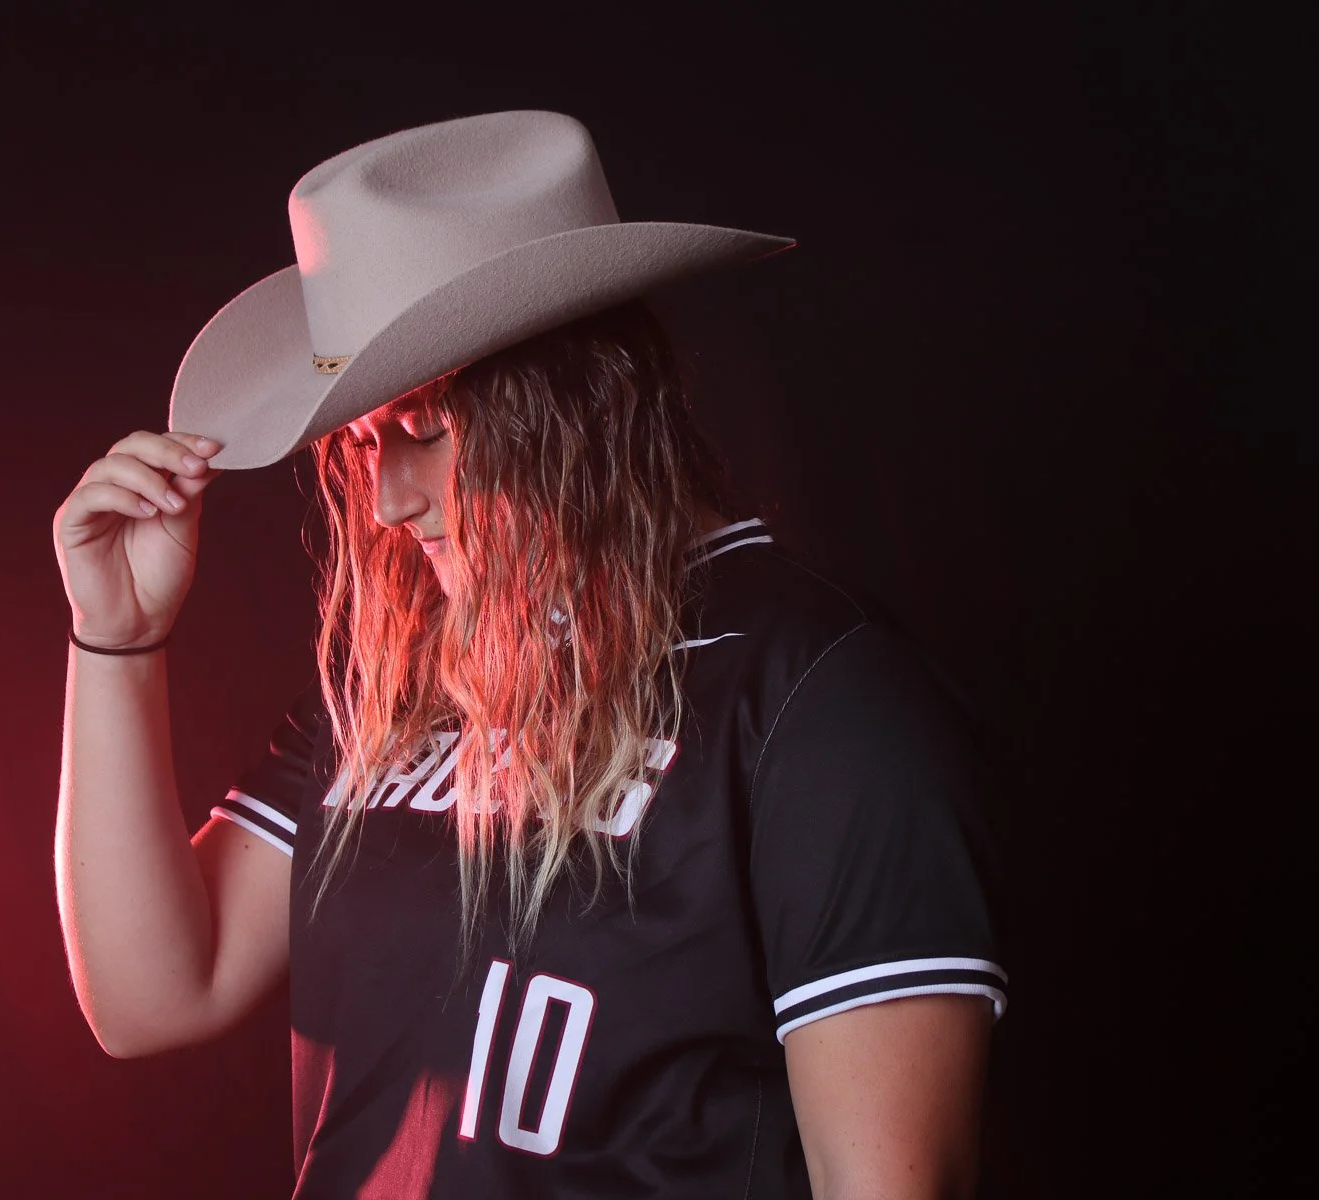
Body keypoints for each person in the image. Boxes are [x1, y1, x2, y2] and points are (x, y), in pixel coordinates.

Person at [53, 111, 1005, 1199]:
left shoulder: (822, 698)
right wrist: (117, 642)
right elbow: (151, 998)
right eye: (363, 441)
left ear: (586, 400)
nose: (388, 499)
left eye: (426, 427)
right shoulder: (402, 691)